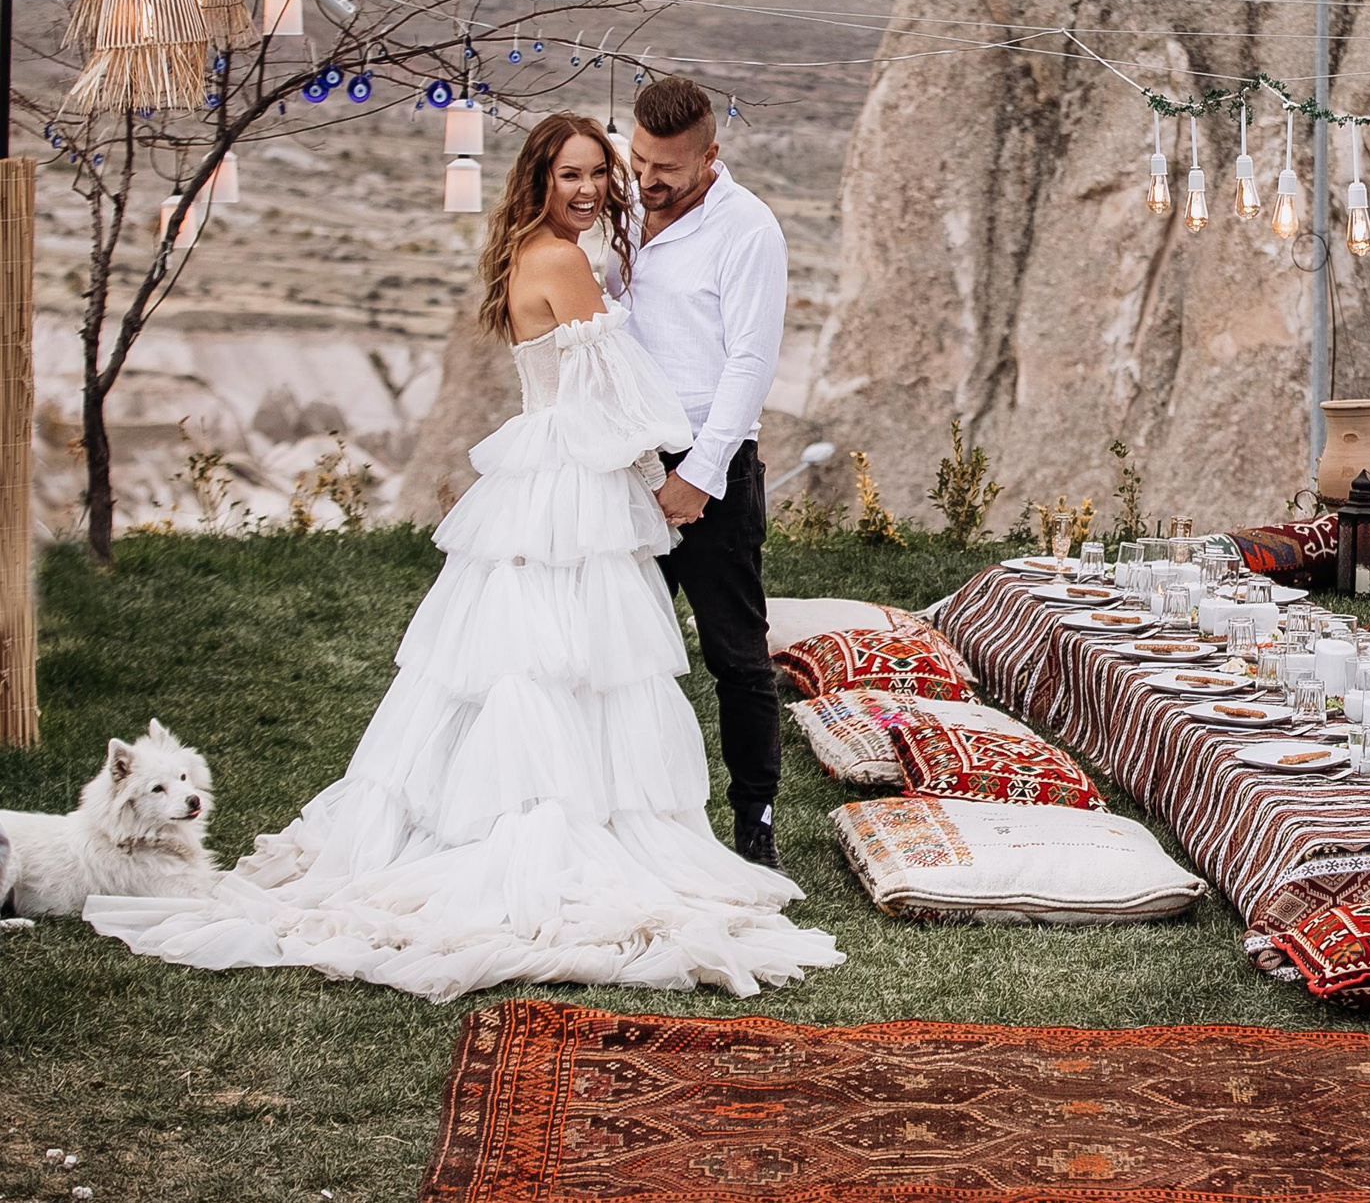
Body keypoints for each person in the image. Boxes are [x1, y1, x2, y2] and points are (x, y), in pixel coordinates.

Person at [81, 113, 841, 1001]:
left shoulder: (545, 249)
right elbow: (622, 393)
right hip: (575, 482)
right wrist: (663, 472)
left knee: (548, 660)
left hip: (554, 475)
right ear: (536, 179)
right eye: (573, 175)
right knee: (569, 664)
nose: (592, 189)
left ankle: (558, 808)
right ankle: (548, 820)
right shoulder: (560, 260)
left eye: (602, 173)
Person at [617, 77, 789, 868]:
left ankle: (755, 822)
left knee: (736, 658)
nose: (648, 179)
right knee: (615, 648)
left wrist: (702, 474)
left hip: (707, 463)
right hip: (623, 463)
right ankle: (623, 815)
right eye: (640, 159)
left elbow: (751, 362)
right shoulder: (618, 208)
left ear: (710, 156)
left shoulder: (748, 229)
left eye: (668, 170)